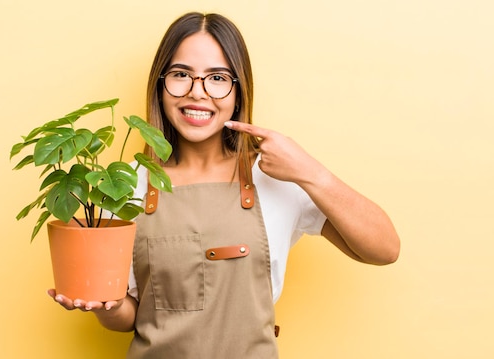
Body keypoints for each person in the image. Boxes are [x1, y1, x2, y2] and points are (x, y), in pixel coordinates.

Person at [49, 11, 400, 358]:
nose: (197, 93)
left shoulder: (276, 175)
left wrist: (310, 171)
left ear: (238, 91)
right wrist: (105, 306)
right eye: (180, 74)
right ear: (160, 85)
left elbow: (384, 249)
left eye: (217, 78)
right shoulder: (127, 183)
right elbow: (130, 317)